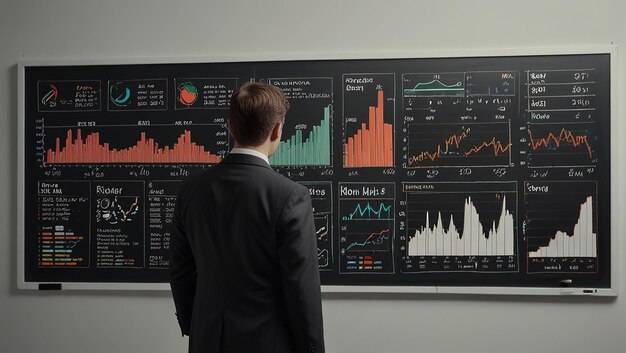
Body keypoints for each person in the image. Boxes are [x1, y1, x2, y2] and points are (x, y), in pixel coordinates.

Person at [170, 82, 325, 353]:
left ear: (230, 126)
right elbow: (301, 289)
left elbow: (181, 271)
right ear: (277, 129)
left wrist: (194, 326)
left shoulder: (191, 190)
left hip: (207, 342)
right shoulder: (290, 196)